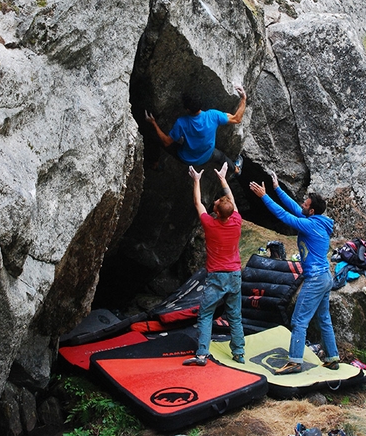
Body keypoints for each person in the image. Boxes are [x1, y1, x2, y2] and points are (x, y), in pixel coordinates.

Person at [249, 171, 339, 374]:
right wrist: (277, 189)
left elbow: (284, 215)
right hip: (325, 277)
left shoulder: (308, 225)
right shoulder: (317, 221)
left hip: (315, 279)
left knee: (299, 320)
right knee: (324, 318)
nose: (303, 207)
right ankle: (332, 357)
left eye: (306, 205)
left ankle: (295, 361)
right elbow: (294, 208)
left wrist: (264, 196)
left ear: (312, 210)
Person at [182, 162, 245, 366]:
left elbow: (197, 202)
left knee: (206, 314)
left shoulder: (210, 223)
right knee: (234, 316)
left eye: (216, 202)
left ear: (216, 212)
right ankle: (239, 353)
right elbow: (232, 202)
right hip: (234, 274)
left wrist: (197, 180)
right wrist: (223, 179)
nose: (215, 201)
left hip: (217, 275)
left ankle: (202, 354)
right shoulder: (236, 220)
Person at [145, 86, 246, 174]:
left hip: (185, 158)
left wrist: (153, 123)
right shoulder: (213, 116)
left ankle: (155, 165)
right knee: (221, 157)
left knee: (153, 137)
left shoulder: (182, 122)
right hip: (207, 155)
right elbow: (237, 119)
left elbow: (166, 142)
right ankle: (236, 170)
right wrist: (243, 98)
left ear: (187, 109)